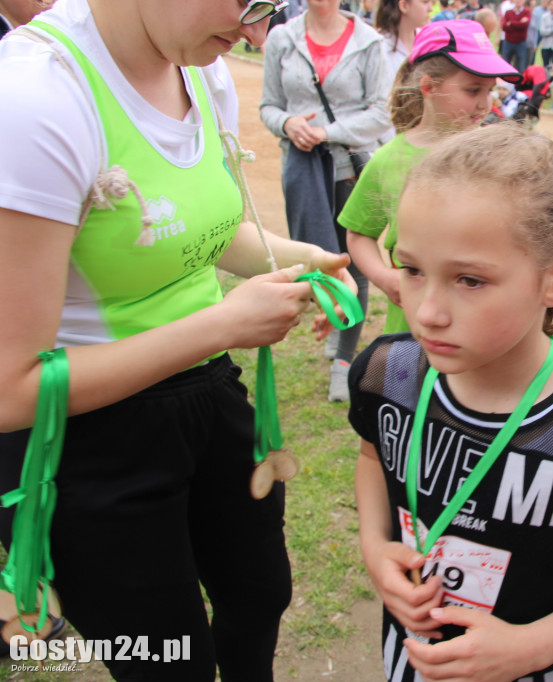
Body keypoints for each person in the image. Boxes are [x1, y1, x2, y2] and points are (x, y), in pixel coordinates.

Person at [0, 0, 360, 680]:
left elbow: (208, 232)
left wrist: (303, 259)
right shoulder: (33, 101)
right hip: (86, 441)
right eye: (246, 2)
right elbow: (10, 390)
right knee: (167, 656)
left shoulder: (199, 64)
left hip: (204, 393)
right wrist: (223, 324)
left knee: (259, 595)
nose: (258, 29)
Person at [350, 123, 553, 682]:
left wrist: (534, 647)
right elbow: (375, 458)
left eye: (469, 280)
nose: (426, 312)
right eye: (413, 269)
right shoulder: (388, 373)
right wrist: (376, 547)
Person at [343, 20, 519, 337]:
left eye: (490, 90)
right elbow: (359, 234)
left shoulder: (500, 157)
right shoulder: (387, 160)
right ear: (429, 88)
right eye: (472, 90)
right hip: (413, 329)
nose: (485, 103)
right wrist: (383, 277)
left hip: (484, 327)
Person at [261, 0, 391, 402]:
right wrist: (288, 123)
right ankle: (334, 325)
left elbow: (381, 113)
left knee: (355, 260)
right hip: (303, 170)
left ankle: (344, 360)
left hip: (352, 167)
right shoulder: (282, 38)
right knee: (317, 257)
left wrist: (328, 132)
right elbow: (268, 105)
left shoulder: (369, 42)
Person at [500, 0, 531, 72]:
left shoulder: (526, 12)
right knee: (505, 63)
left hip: (521, 42)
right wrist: (519, 23)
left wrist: (511, 23)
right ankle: (504, 81)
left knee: (521, 65)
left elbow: (524, 26)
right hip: (508, 42)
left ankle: (520, 82)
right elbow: (504, 27)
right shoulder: (508, 12)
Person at [536, 0, 553, 67]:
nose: (552, 7)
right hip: (545, 45)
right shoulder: (544, 17)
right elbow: (542, 31)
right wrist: (552, 31)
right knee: (546, 66)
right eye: (550, 5)